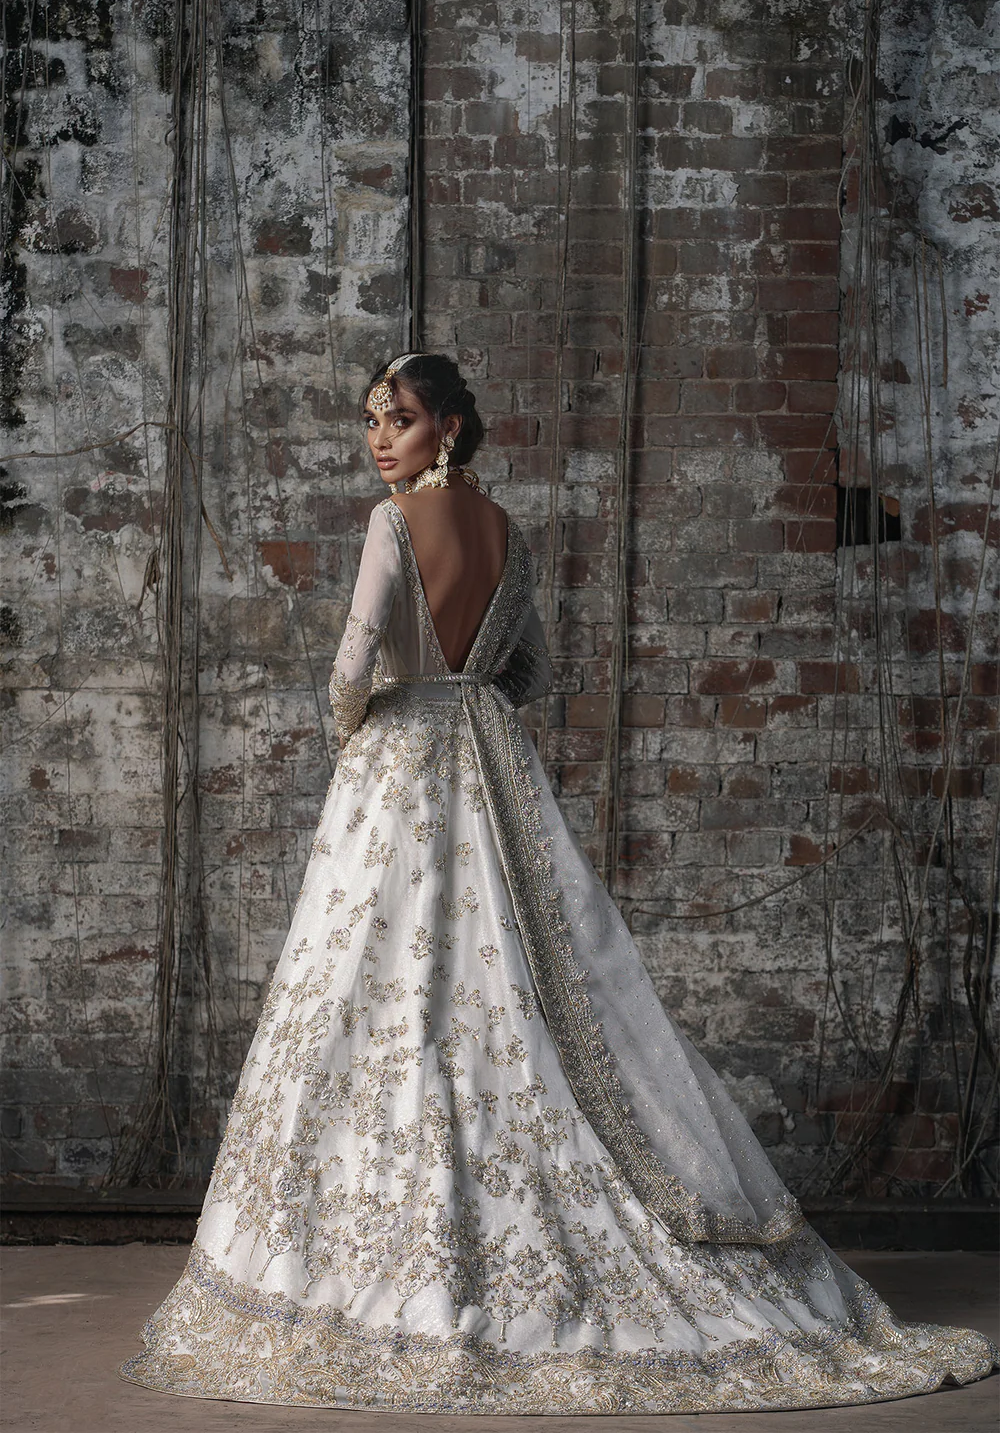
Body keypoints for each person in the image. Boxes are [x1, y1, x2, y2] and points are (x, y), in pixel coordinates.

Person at [120, 352, 997, 1414]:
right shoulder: (509, 532)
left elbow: (350, 667)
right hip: (494, 765)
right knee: (525, 983)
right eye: (371, 421)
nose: (379, 439)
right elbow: (534, 673)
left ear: (447, 428)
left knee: (383, 985)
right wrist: (470, 688)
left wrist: (361, 728)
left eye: (398, 419)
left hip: (401, 768)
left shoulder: (390, 524)